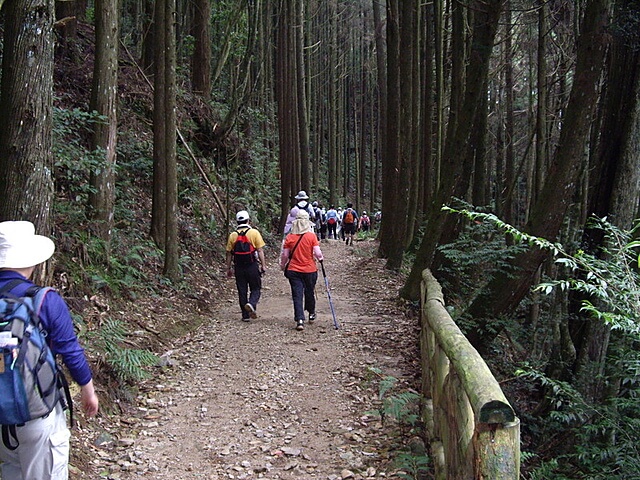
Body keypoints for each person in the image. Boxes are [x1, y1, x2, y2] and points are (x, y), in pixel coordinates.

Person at [0, 220, 99, 480]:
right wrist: (88, 392)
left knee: (12, 470)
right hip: (36, 412)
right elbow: (70, 352)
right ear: (31, 260)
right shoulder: (43, 299)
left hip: (1, 417)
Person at [280, 210, 324, 331]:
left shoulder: (290, 237)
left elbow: (285, 255)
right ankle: (311, 313)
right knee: (309, 291)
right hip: (310, 269)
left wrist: (283, 266)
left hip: (294, 270)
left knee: (297, 294)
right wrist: (320, 259)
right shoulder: (311, 236)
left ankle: (299, 319)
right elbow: (317, 253)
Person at [225, 210, 267, 321]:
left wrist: (228, 268)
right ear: (248, 220)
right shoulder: (254, 233)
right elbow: (260, 250)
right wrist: (263, 265)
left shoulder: (233, 235)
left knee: (242, 289)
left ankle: (245, 315)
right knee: (256, 288)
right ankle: (252, 303)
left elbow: (229, 253)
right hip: (252, 265)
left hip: (238, 267)